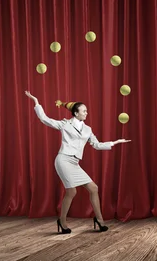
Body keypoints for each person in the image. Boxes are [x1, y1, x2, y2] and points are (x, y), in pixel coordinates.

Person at [24, 90, 131, 234]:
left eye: (86, 111)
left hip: (75, 163)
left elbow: (97, 145)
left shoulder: (88, 129)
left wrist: (115, 142)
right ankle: (62, 221)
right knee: (72, 191)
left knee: (93, 188)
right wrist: (36, 101)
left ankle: (99, 220)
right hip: (63, 160)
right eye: (84, 111)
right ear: (75, 113)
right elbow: (44, 119)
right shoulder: (64, 124)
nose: (86, 113)